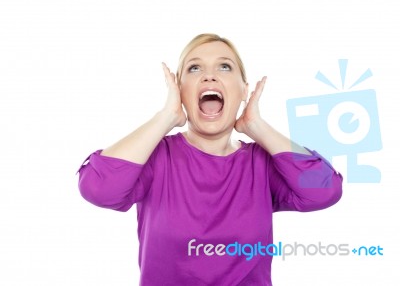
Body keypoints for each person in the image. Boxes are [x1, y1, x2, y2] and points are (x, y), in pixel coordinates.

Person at [77, 33, 343, 285]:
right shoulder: (157, 158)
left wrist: (257, 126)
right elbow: (98, 187)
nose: (209, 76)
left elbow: (325, 190)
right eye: (194, 69)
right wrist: (166, 117)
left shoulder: (261, 164)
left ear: (243, 90)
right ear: (180, 90)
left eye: (224, 67)